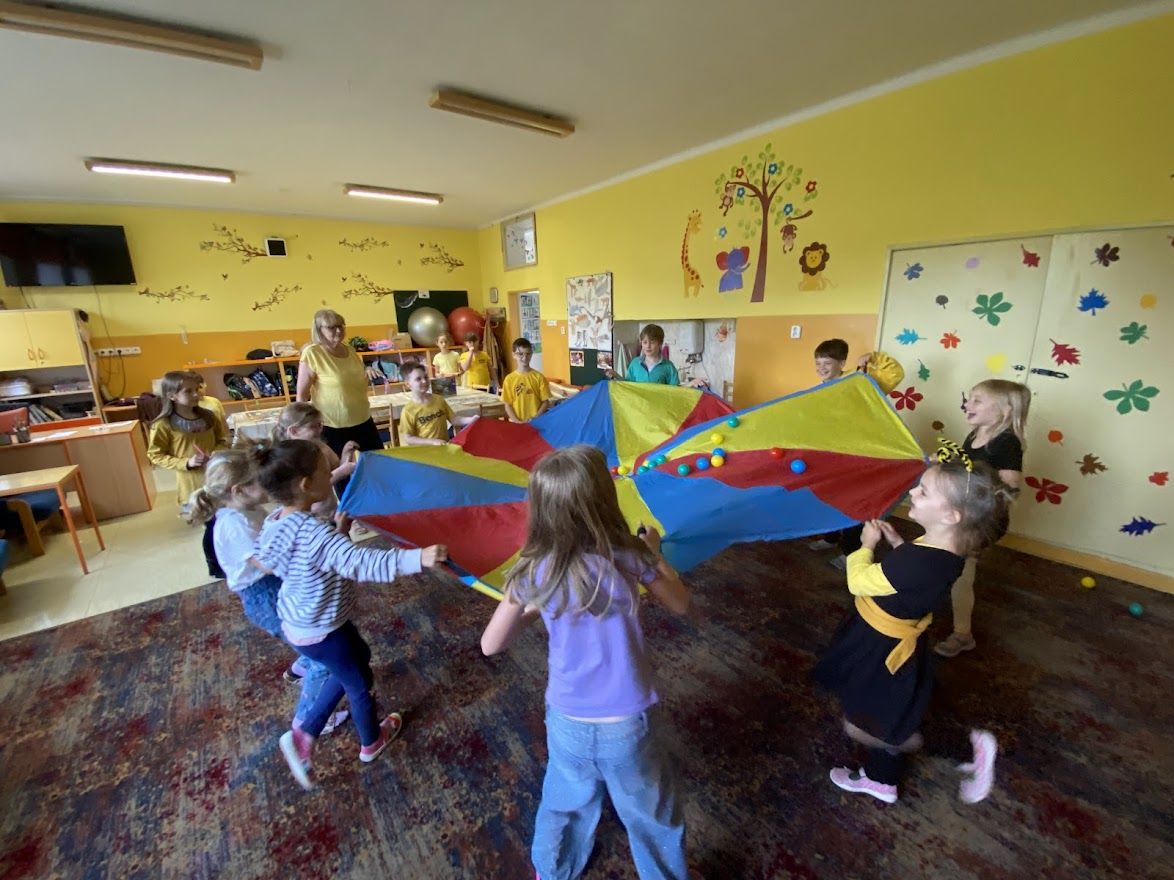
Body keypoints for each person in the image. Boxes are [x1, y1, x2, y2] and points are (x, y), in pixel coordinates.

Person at [481, 444, 692, 880]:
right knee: (651, 812)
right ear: (603, 499)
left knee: (564, 801)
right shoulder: (630, 555)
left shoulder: (533, 569)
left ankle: (552, 870)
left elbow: (490, 645)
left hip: (567, 718)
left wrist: (536, 606)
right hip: (628, 721)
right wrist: (654, 552)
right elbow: (680, 603)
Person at [813, 458, 1014, 805]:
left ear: (951, 516)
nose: (913, 492)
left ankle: (964, 748)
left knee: (861, 723)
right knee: (890, 707)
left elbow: (858, 581)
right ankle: (881, 779)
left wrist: (865, 546)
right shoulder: (949, 548)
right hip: (893, 637)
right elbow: (918, 570)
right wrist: (897, 545)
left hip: (881, 646)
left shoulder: (916, 562)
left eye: (924, 491)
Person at [254, 439, 448, 790]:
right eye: (324, 470)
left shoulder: (276, 522)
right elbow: (361, 562)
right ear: (306, 485)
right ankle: (367, 740)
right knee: (359, 683)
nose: (331, 473)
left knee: (357, 656)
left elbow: (295, 558)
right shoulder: (315, 534)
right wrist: (417, 558)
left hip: (301, 621)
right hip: (323, 629)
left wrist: (337, 532)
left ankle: (307, 729)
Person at [185, 447, 347, 735]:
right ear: (239, 490)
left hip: (271, 589)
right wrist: (312, 541)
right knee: (320, 653)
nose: (269, 484)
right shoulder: (233, 525)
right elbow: (269, 563)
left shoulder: (245, 510)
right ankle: (307, 719)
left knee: (306, 638)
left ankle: (300, 668)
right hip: (263, 595)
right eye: (261, 480)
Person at [934, 379, 1029, 658]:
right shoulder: (975, 434)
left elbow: (1011, 487)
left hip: (982, 521)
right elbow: (967, 466)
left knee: (963, 573)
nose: (968, 404)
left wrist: (977, 495)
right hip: (964, 514)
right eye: (969, 398)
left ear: (1004, 411)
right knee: (949, 562)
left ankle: (963, 635)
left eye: (977, 400)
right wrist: (946, 462)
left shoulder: (1006, 442)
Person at [808, 338, 906, 570]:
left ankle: (850, 552)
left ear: (842, 363)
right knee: (829, 498)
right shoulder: (819, 389)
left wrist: (874, 358)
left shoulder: (858, 381)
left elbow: (895, 373)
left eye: (827, 363)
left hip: (854, 455)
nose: (821, 368)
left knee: (852, 502)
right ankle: (831, 537)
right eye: (818, 363)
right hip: (829, 456)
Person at [147, 370, 230, 576]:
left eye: (196, 389)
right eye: (188, 391)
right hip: (193, 484)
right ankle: (216, 567)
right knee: (212, 525)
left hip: (217, 478)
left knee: (225, 522)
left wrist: (216, 452)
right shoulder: (163, 425)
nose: (196, 394)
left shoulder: (208, 416)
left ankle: (228, 560)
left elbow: (222, 440)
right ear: (172, 396)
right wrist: (186, 462)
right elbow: (155, 455)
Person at [296, 309, 382, 457]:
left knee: (378, 462)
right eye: (331, 327)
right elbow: (301, 396)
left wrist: (367, 370)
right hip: (332, 425)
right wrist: (305, 426)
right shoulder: (312, 353)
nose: (338, 330)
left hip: (363, 419)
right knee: (339, 468)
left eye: (341, 326)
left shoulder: (350, 351)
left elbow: (354, 379)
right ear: (319, 330)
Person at [273, 402, 358, 514]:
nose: (319, 430)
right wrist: (342, 471)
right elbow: (313, 485)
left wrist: (346, 454)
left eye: (320, 425)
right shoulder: (291, 457)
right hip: (310, 514)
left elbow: (336, 467)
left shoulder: (321, 446)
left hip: (330, 509)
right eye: (312, 426)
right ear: (294, 431)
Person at [398, 362, 479, 446]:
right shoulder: (408, 410)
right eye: (418, 379)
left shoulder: (439, 399)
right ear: (408, 384)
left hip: (443, 447)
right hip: (424, 451)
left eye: (426, 377)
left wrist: (471, 419)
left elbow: (454, 419)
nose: (424, 381)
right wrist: (432, 442)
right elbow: (408, 438)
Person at [501, 337, 552, 423]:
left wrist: (535, 418)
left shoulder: (539, 377)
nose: (525, 358)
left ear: (531, 354)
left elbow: (545, 402)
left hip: (536, 423)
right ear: (514, 355)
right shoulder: (509, 379)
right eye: (520, 354)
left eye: (528, 354)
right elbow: (507, 405)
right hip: (517, 424)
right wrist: (517, 421)